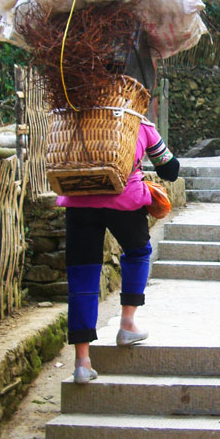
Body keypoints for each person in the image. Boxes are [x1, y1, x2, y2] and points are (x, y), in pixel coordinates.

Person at [59, 110, 179, 384]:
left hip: (78, 200)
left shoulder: (74, 117)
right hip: (124, 200)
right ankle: (127, 324)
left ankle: (81, 362)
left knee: (82, 278)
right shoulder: (137, 121)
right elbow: (170, 169)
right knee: (138, 253)